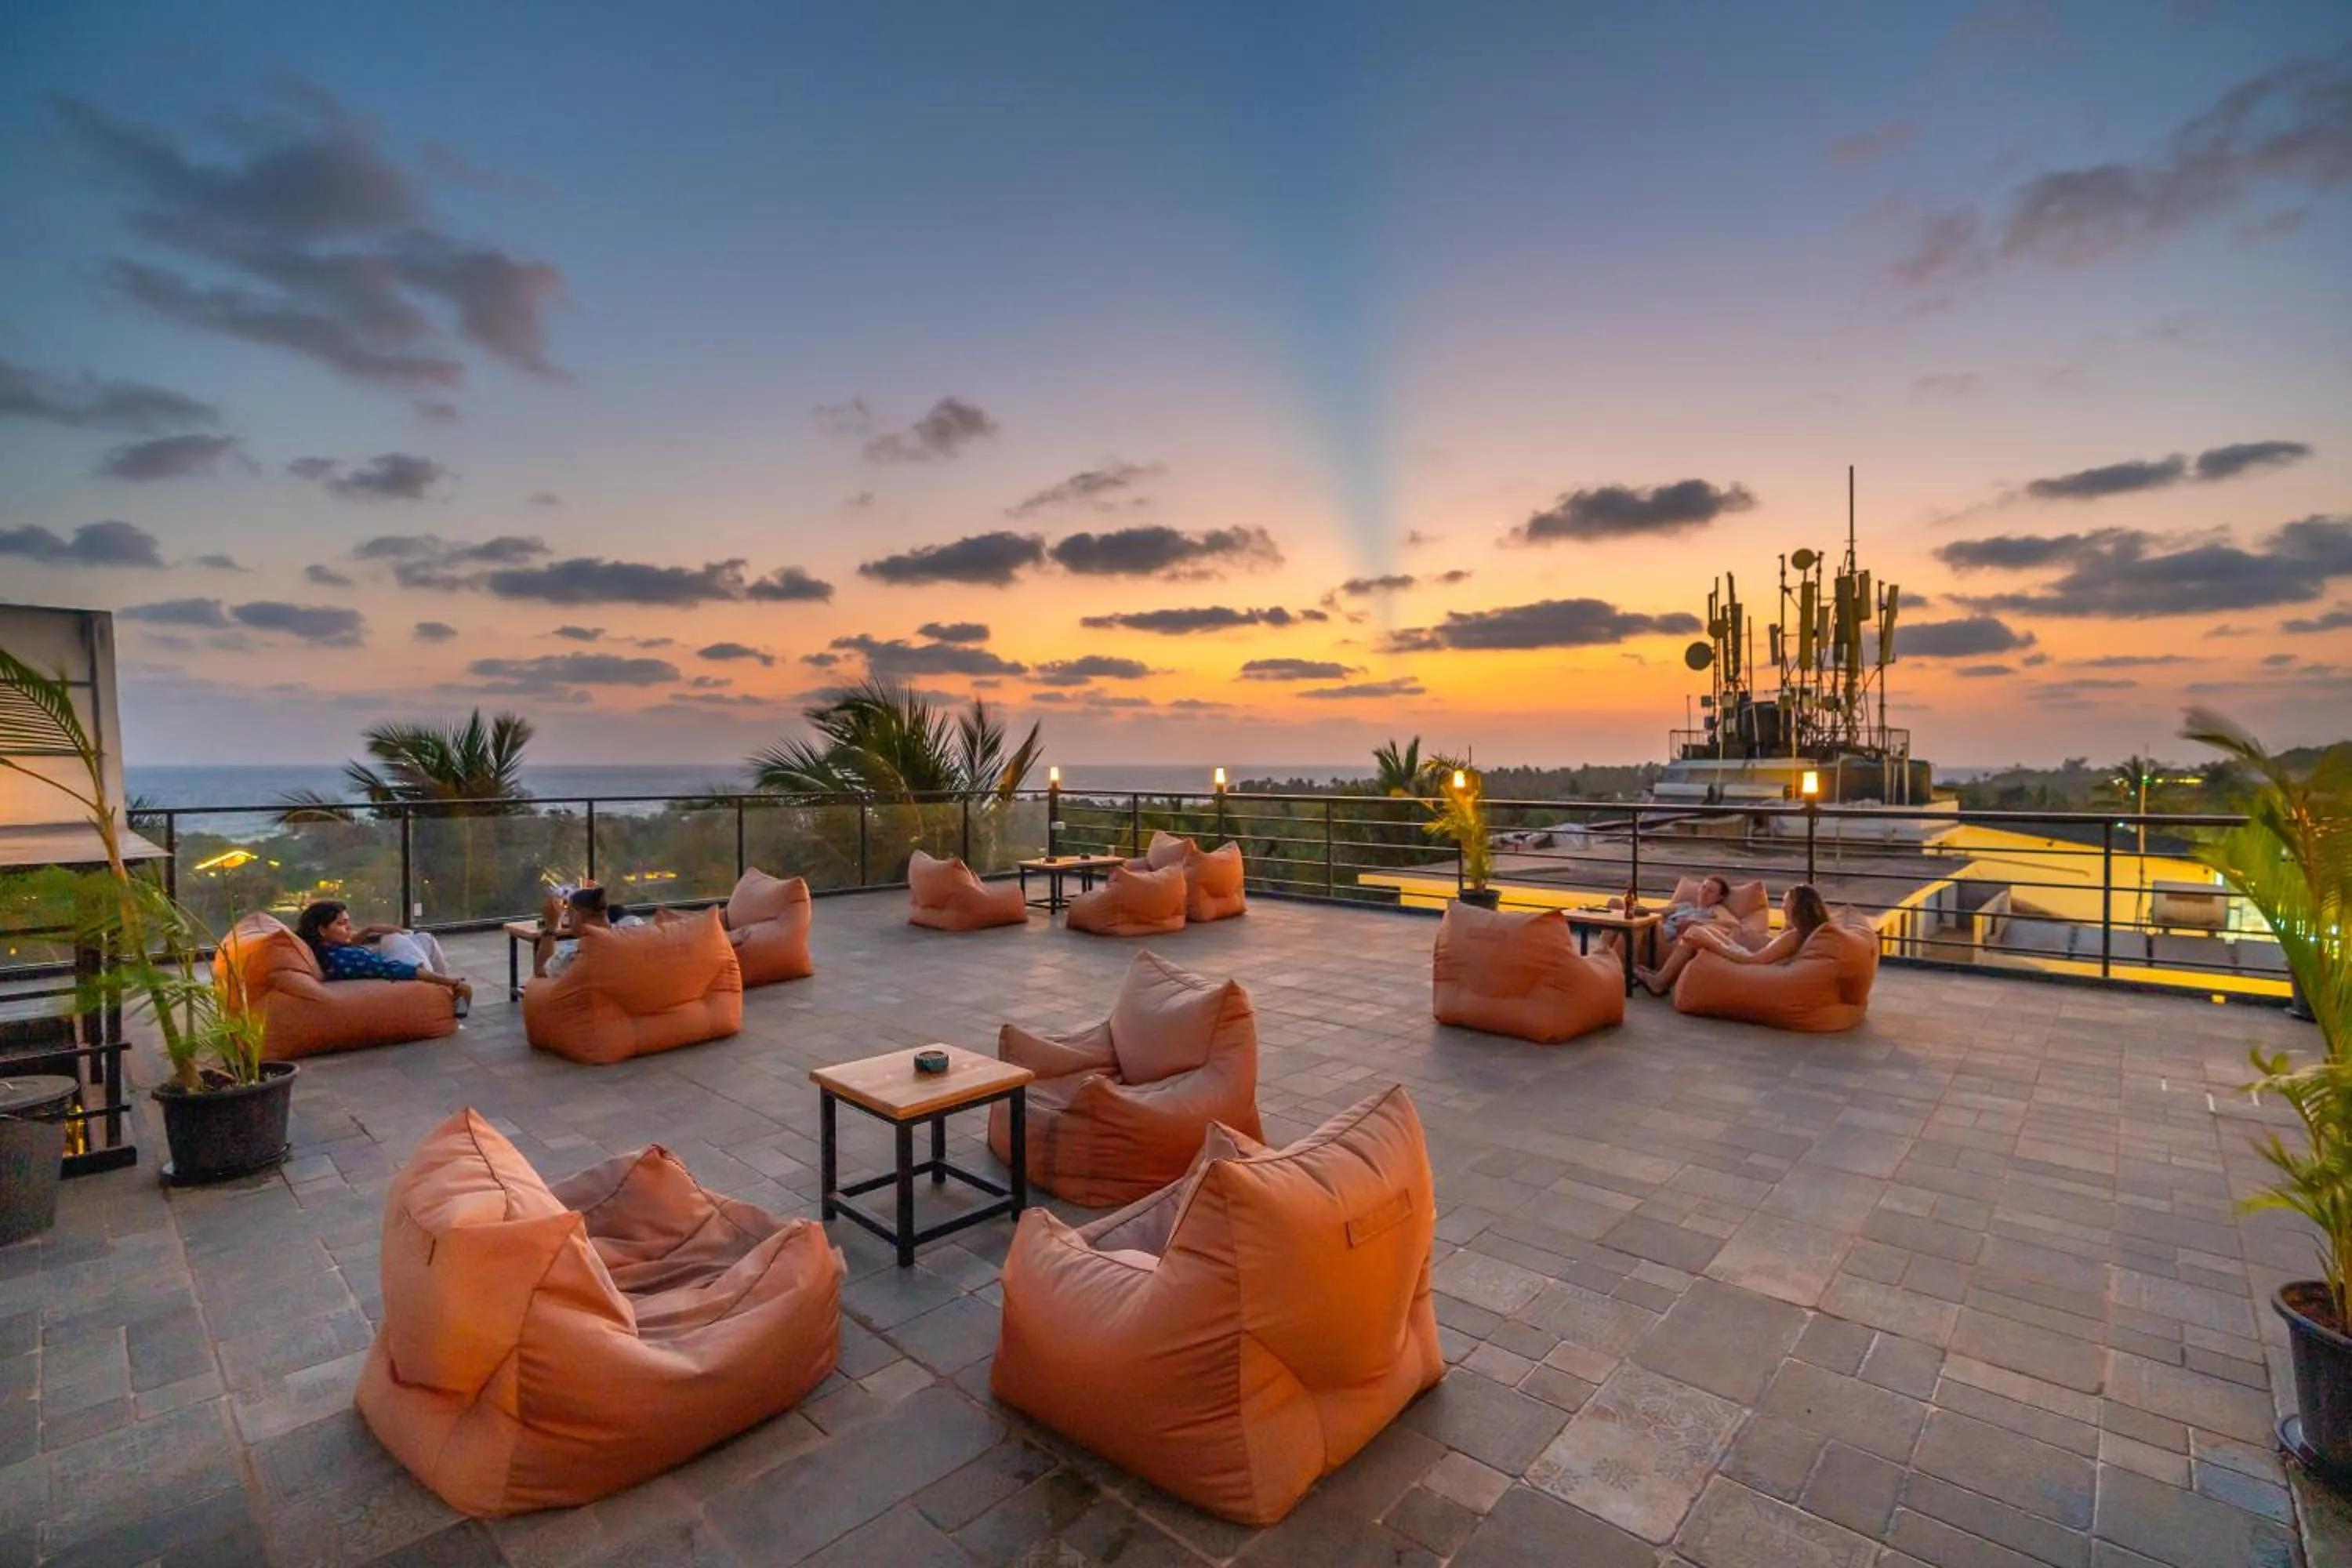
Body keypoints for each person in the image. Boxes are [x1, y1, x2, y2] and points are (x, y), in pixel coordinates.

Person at [1639, 882, 1832, 996]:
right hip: (1749, 956)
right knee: (1697, 931)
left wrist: (1716, 945)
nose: (1782, 907)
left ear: (1797, 907)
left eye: (1785, 903)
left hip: (1748, 961)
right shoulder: (1798, 933)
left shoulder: (1793, 937)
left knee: (1695, 935)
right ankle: (1660, 978)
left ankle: (1659, 982)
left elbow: (1752, 961)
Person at [294, 901, 473, 1016]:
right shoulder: (342, 958)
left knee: (423, 939)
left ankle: (448, 997)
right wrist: (452, 982)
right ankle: (446, 994)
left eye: (348, 922)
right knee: (397, 938)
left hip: (386, 967)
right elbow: (397, 969)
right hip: (405, 978)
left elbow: (349, 947)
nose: (349, 928)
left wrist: (369, 930)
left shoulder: (327, 950)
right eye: (341, 924)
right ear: (322, 930)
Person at [533, 884, 648, 978]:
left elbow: (540, 973)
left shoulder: (572, 955)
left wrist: (551, 926)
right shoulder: (632, 937)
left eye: (569, 914)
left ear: (578, 917)